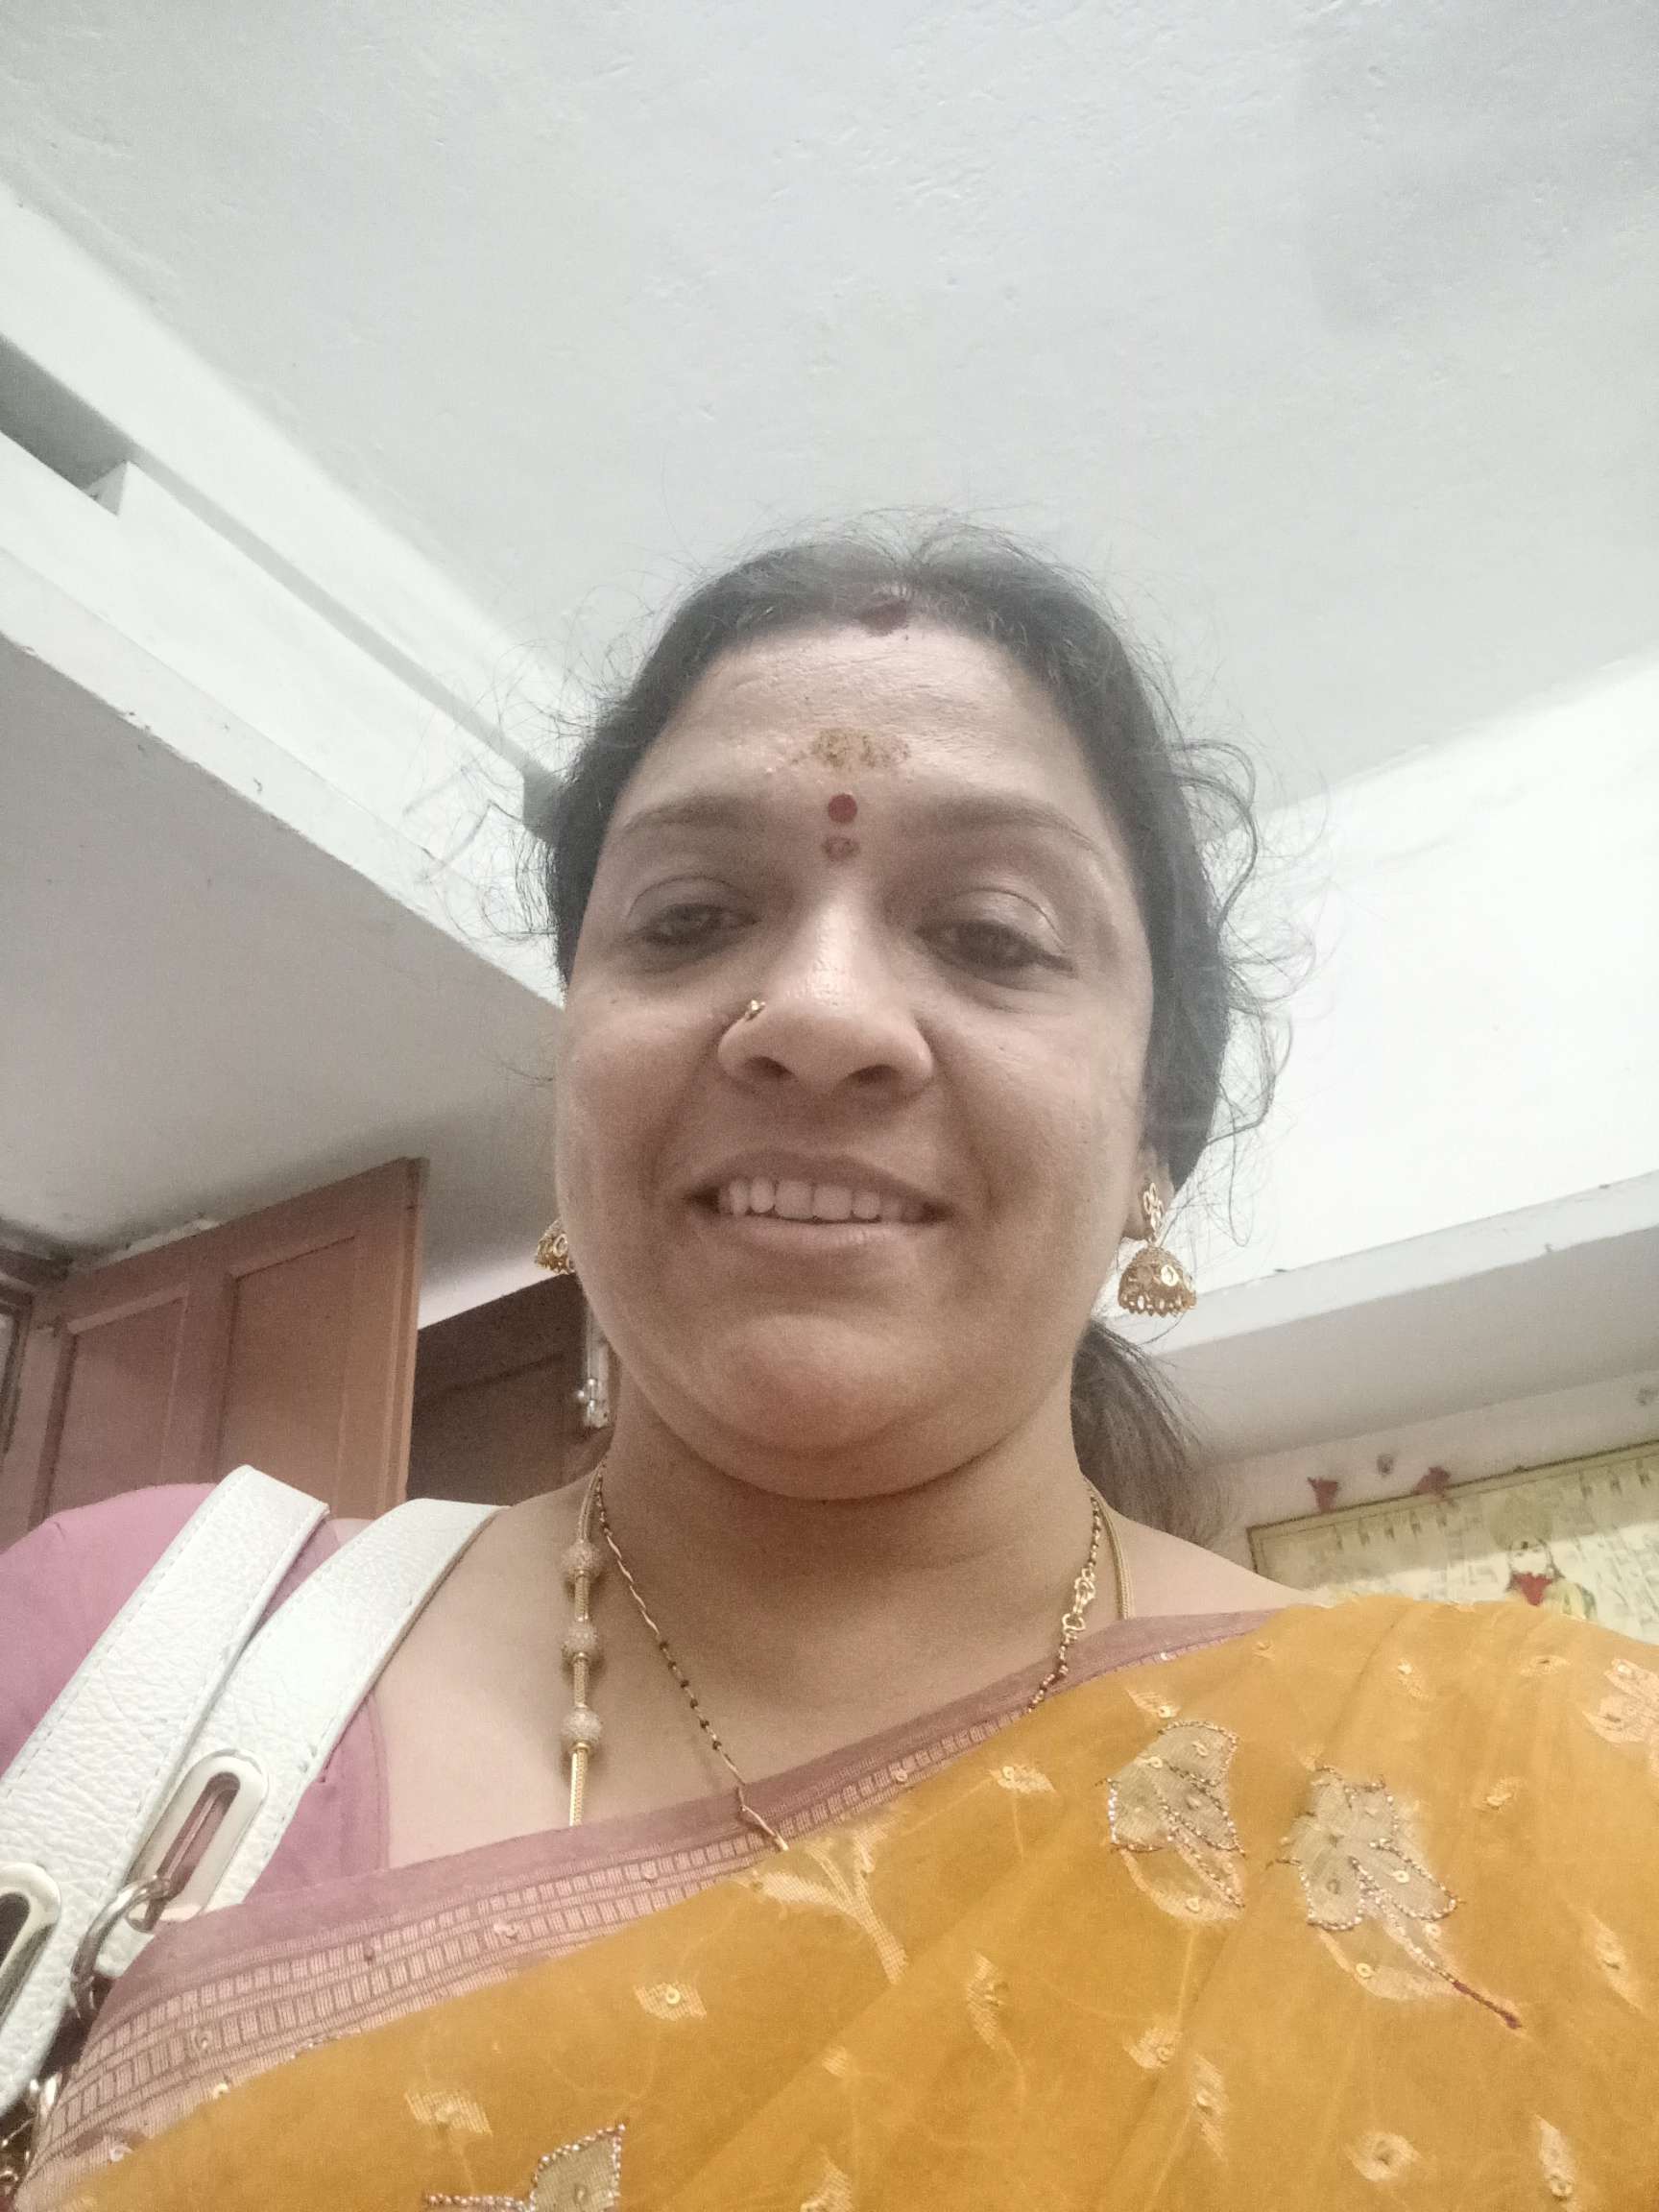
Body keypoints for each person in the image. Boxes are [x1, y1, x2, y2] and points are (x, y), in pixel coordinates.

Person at [2, 527, 1654, 2209]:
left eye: (993, 934)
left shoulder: (1539, 1808)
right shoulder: (116, 1658)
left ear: (1156, 1138)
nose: (815, 1012)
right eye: (691, 917)